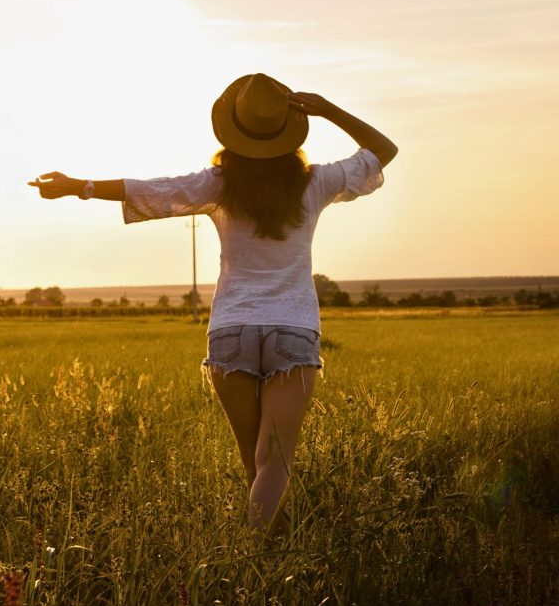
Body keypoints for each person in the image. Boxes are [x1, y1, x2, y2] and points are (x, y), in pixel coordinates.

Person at [27, 73, 397, 537]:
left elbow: (151, 189)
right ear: (289, 132)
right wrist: (328, 110)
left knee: (255, 463)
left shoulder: (218, 184)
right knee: (275, 462)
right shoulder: (316, 182)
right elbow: (384, 150)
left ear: (233, 131)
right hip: (292, 331)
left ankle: (271, 553)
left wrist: (76, 185)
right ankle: (261, 554)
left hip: (230, 334)